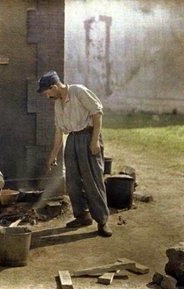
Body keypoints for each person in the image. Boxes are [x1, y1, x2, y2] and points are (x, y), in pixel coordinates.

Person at [37, 70, 112, 237]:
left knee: (93, 180)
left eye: (47, 91)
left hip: (88, 136)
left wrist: (94, 140)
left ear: (54, 86)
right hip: (72, 140)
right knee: (72, 181)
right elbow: (59, 132)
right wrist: (53, 155)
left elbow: (97, 114)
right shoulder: (57, 104)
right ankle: (82, 216)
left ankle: (102, 221)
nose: (46, 95)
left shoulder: (78, 91)